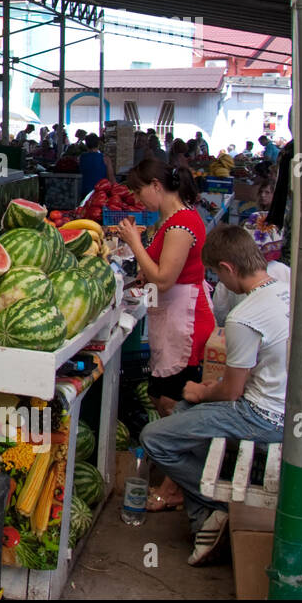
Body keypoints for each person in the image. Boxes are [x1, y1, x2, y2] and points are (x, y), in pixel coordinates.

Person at [140, 225, 302, 565]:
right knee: (182, 413)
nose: (221, 285)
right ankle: (202, 522)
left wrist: (201, 391)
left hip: (263, 418)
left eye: (217, 275)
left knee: (154, 437)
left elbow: (232, 392)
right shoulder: (292, 292)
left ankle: (218, 508)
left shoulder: (245, 316)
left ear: (228, 269)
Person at [116, 159, 214, 420]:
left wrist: (134, 243)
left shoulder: (181, 225)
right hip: (172, 318)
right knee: (157, 396)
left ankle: (174, 456)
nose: (138, 200)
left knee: (171, 402)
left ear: (156, 185)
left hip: (186, 323)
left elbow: (163, 281)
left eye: (139, 192)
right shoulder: (172, 219)